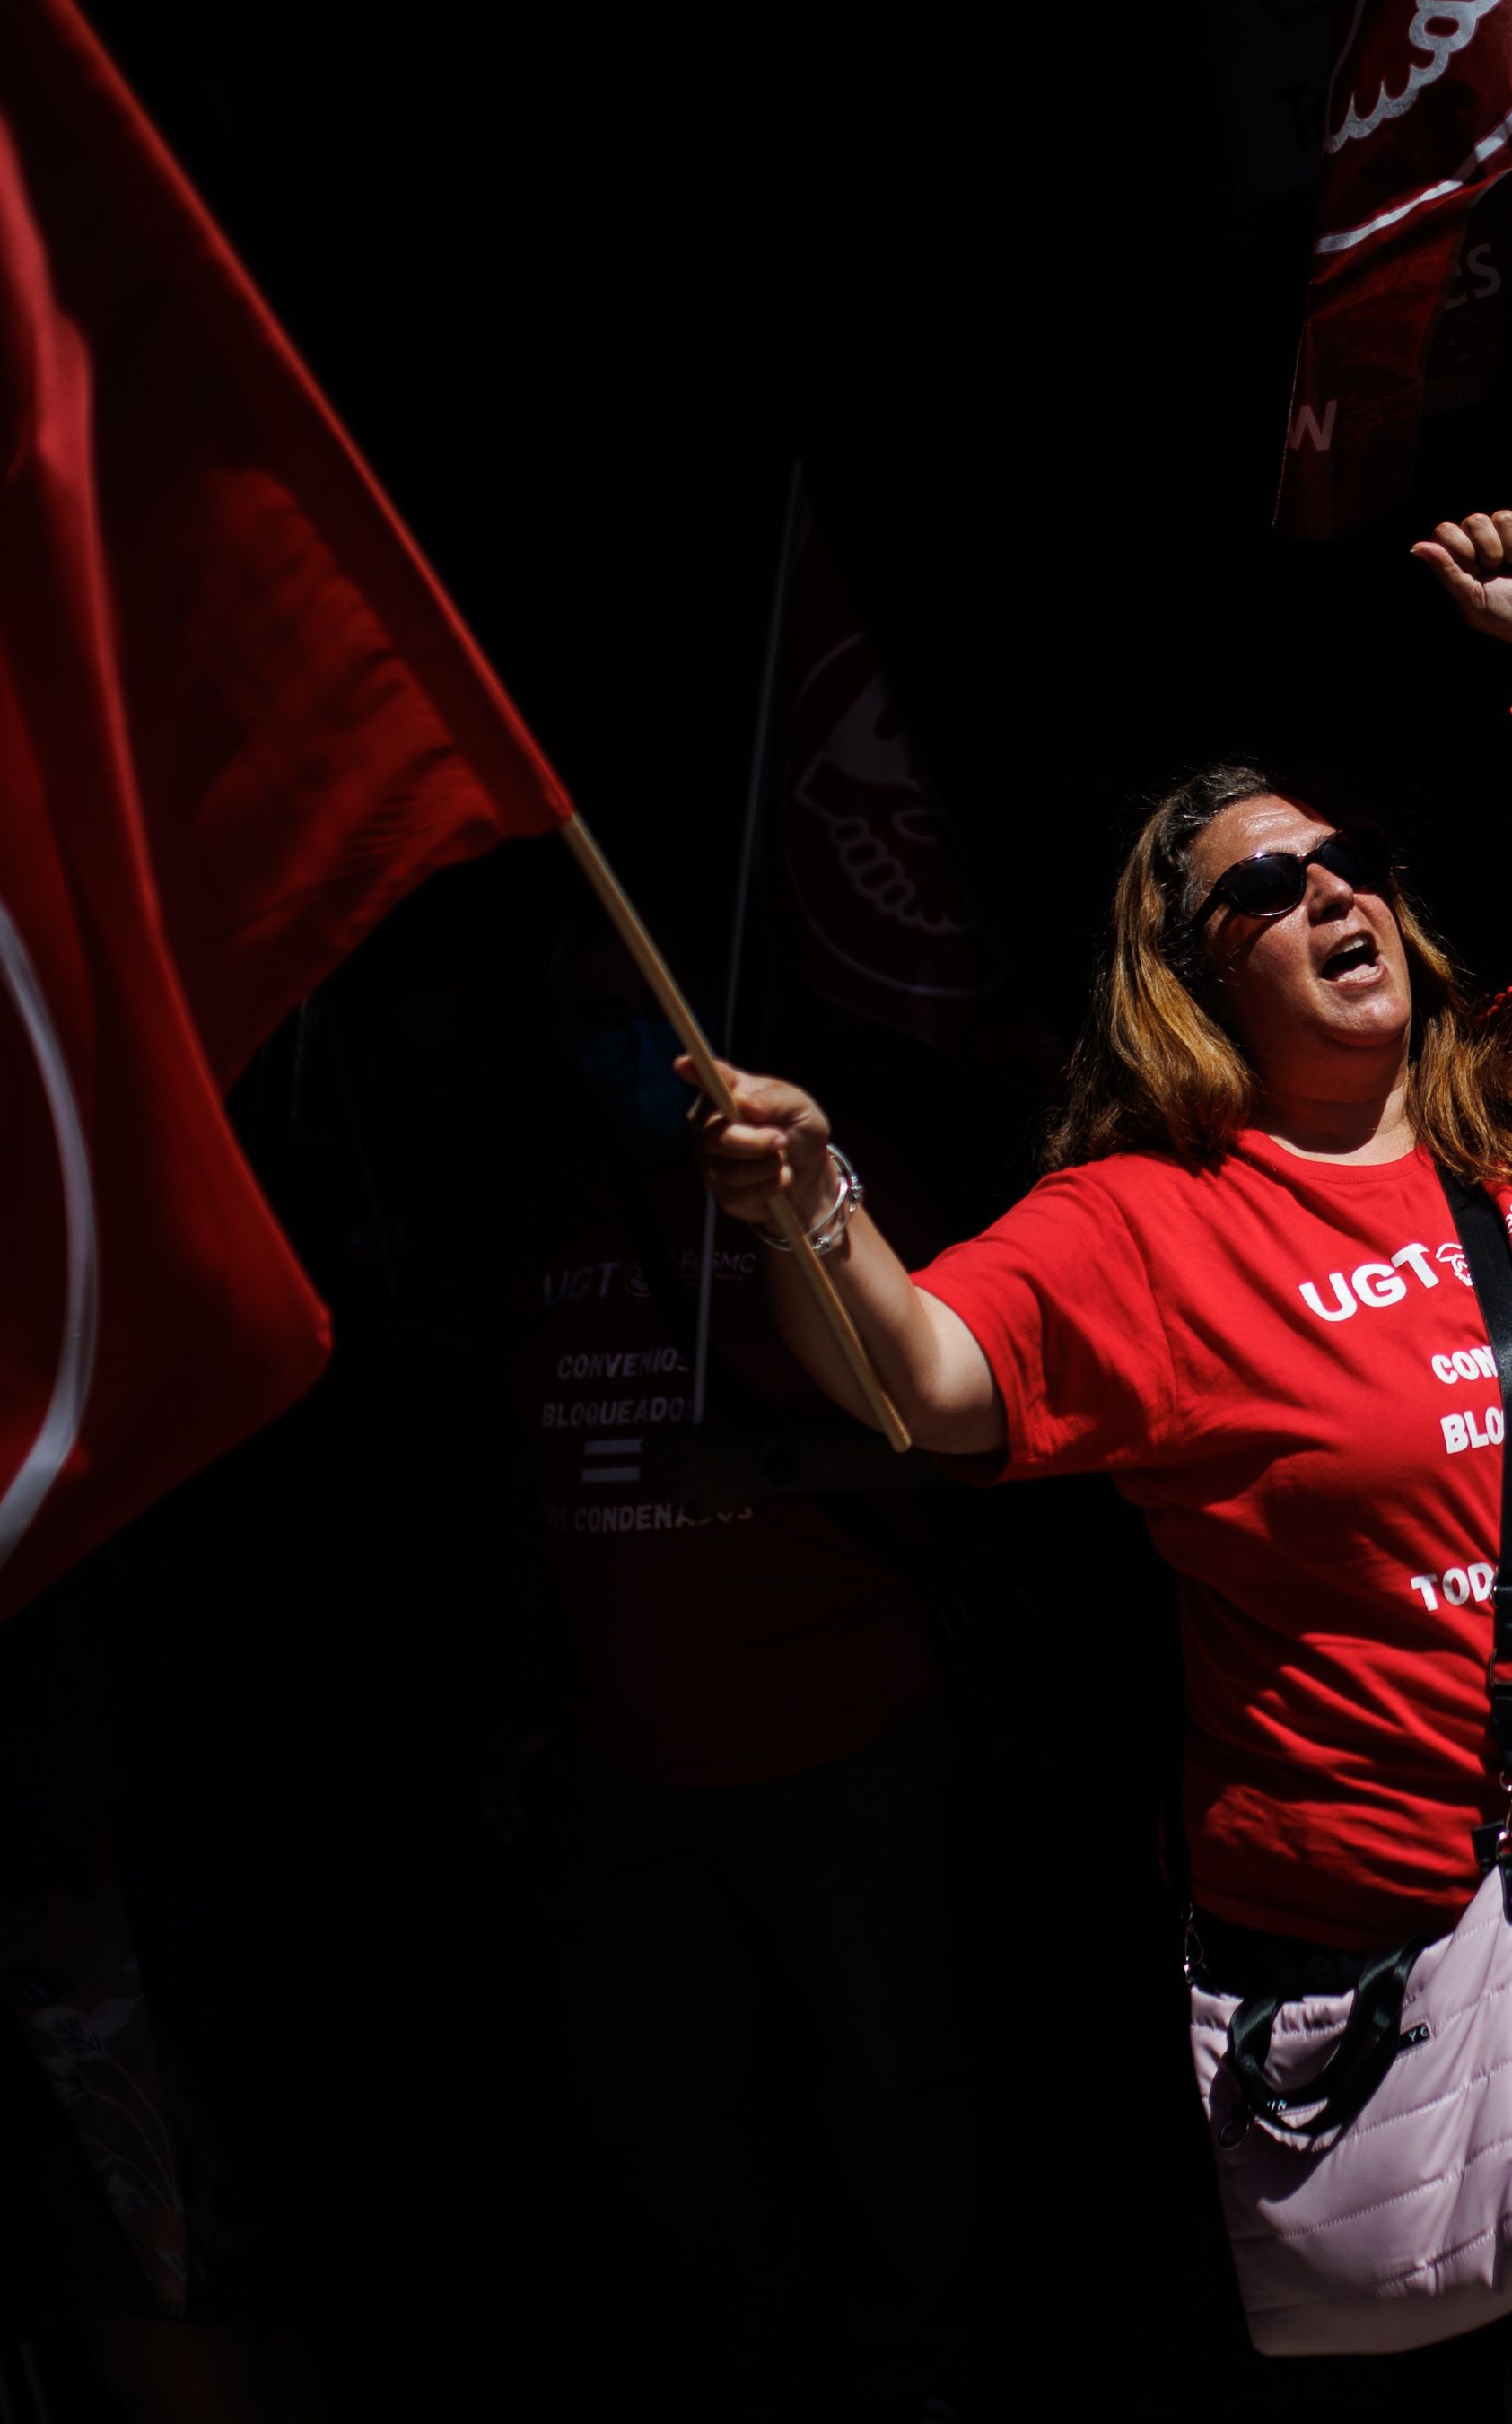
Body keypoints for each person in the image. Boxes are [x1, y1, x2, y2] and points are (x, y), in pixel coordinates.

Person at [689, 510, 1512, 2422]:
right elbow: (930, 1383)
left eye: (1349, 862)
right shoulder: (1155, 1226)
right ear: (1186, 982)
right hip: (1481, 1973)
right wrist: (813, 1212)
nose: (1329, 896)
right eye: (1263, 889)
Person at [495, 931, 966, 2411]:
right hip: (630, 1777)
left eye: (633, 1015)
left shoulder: (833, 1200)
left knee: (894, 2110)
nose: (611, 1047)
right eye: (582, 1021)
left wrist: (764, 1458)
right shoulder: (554, 1223)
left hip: (843, 1748)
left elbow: (970, 1445)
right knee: (680, 2133)